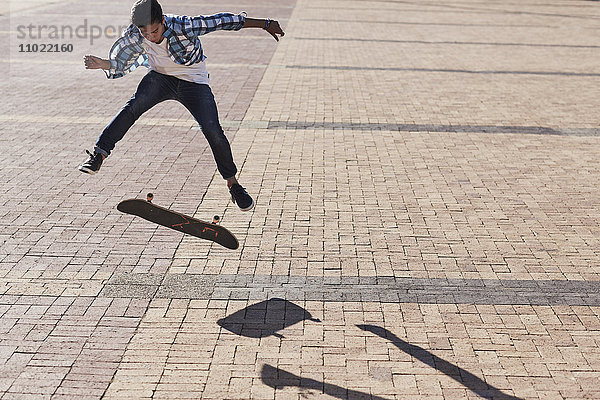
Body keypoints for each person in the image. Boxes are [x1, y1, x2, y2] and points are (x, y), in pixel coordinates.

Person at [79, 0, 285, 211]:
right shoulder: (134, 34)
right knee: (132, 108)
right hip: (159, 78)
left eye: (155, 31)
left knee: (212, 130)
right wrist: (103, 64)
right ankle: (99, 155)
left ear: (163, 21)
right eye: (145, 33)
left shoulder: (184, 25)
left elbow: (224, 21)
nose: (151, 37)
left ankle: (233, 184)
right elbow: (123, 61)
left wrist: (266, 23)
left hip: (193, 82)